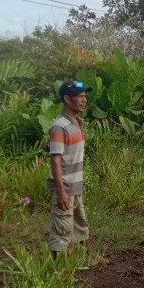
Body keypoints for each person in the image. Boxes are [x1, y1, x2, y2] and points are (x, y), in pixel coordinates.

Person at [47, 79, 92, 258]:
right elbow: (55, 161)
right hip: (64, 186)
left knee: (81, 224)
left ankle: (90, 256)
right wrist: (61, 192)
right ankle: (58, 271)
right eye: (79, 96)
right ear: (67, 98)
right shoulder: (59, 126)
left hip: (75, 185)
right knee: (62, 230)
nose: (84, 100)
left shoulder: (76, 122)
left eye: (84, 96)